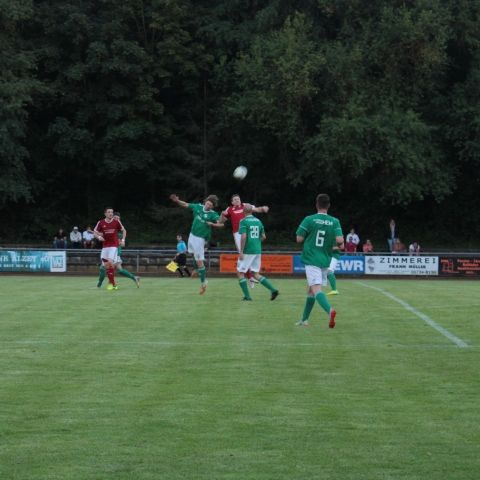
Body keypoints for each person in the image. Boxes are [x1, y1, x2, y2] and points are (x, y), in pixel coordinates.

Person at [295, 194, 344, 328]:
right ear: (328, 206)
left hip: (312, 258)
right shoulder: (335, 221)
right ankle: (304, 320)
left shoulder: (309, 219)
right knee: (311, 289)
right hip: (325, 259)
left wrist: (310, 239)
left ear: (316, 205)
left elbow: (299, 238)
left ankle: (330, 311)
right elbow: (340, 241)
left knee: (316, 289)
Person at [169, 193, 223, 294]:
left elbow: (221, 223)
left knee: (199, 261)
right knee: (192, 254)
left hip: (200, 239)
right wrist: (177, 201)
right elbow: (185, 204)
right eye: (208, 203)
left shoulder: (212, 214)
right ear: (205, 202)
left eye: (211, 205)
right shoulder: (198, 207)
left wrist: (214, 223)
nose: (208, 206)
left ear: (212, 206)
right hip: (192, 235)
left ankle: (203, 283)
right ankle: (197, 270)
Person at [221, 194, 269, 288]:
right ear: (232, 202)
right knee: (243, 254)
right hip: (238, 233)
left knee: (247, 253)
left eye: (238, 198)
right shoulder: (229, 209)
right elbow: (221, 221)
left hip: (249, 232)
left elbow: (256, 209)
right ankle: (250, 277)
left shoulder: (245, 205)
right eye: (235, 199)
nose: (237, 200)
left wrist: (263, 208)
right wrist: (222, 214)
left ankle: (251, 276)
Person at [236, 204, 279, 301]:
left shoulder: (243, 221)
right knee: (255, 273)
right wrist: (256, 242)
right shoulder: (258, 221)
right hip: (257, 250)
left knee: (240, 272)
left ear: (244, 212)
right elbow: (264, 237)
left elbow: (243, 236)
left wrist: (241, 251)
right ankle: (273, 290)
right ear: (252, 211)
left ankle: (247, 296)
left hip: (248, 250)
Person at [96, 212, 140, 288]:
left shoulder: (118, 226)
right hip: (113, 250)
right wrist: (100, 235)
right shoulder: (112, 225)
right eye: (115, 217)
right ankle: (134, 278)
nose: (116, 219)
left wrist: (123, 240)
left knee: (105, 267)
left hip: (114, 250)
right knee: (119, 269)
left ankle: (106, 284)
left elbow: (124, 231)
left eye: (118, 218)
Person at [94, 207, 126, 291]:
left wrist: (122, 240)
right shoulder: (100, 222)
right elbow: (95, 232)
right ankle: (104, 282)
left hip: (113, 246)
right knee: (103, 267)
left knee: (109, 263)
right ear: (105, 214)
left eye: (111, 212)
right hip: (105, 247)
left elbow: (123, 230)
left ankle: (113, 284)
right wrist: (99, 237)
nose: (111, 214)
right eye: (109, 212)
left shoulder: (116, 222)